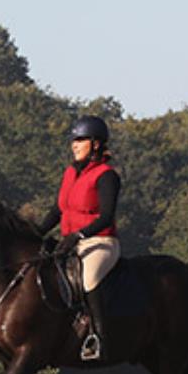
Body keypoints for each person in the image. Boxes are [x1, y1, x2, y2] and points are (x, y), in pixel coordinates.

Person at [35, 116, 121, 361]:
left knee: (88, 277)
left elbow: (106, 216)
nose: (74, 144)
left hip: (100, 242)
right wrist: (35, 233)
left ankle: (98, 338)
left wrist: (79, 236)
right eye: (74, 140)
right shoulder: (70, 173)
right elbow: (58, 210)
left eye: (80, 139)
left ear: (95, 144)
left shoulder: (107, 176)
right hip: (70, 242)